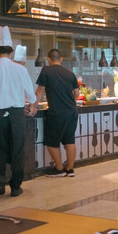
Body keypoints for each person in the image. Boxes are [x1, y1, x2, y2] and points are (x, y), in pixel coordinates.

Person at [0, 26, 37, 197]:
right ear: (11, 53)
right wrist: (31, 104)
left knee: (0, 146)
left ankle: (0, 177)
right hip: (16, 114)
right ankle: (15, 186)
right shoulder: (20, 69)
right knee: (17, 148)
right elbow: (31, 95)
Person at [32, 49, 80, 177]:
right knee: (70, 141)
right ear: (61, 59)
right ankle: (70, 169)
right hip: (72, 112)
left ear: (49, 59)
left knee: (51, 142)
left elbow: (40, 91)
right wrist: (71, 102)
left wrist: (33, 106)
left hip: (57, 112)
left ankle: (59, 169)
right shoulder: (70, 73)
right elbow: (76, 93)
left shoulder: (46, 70)